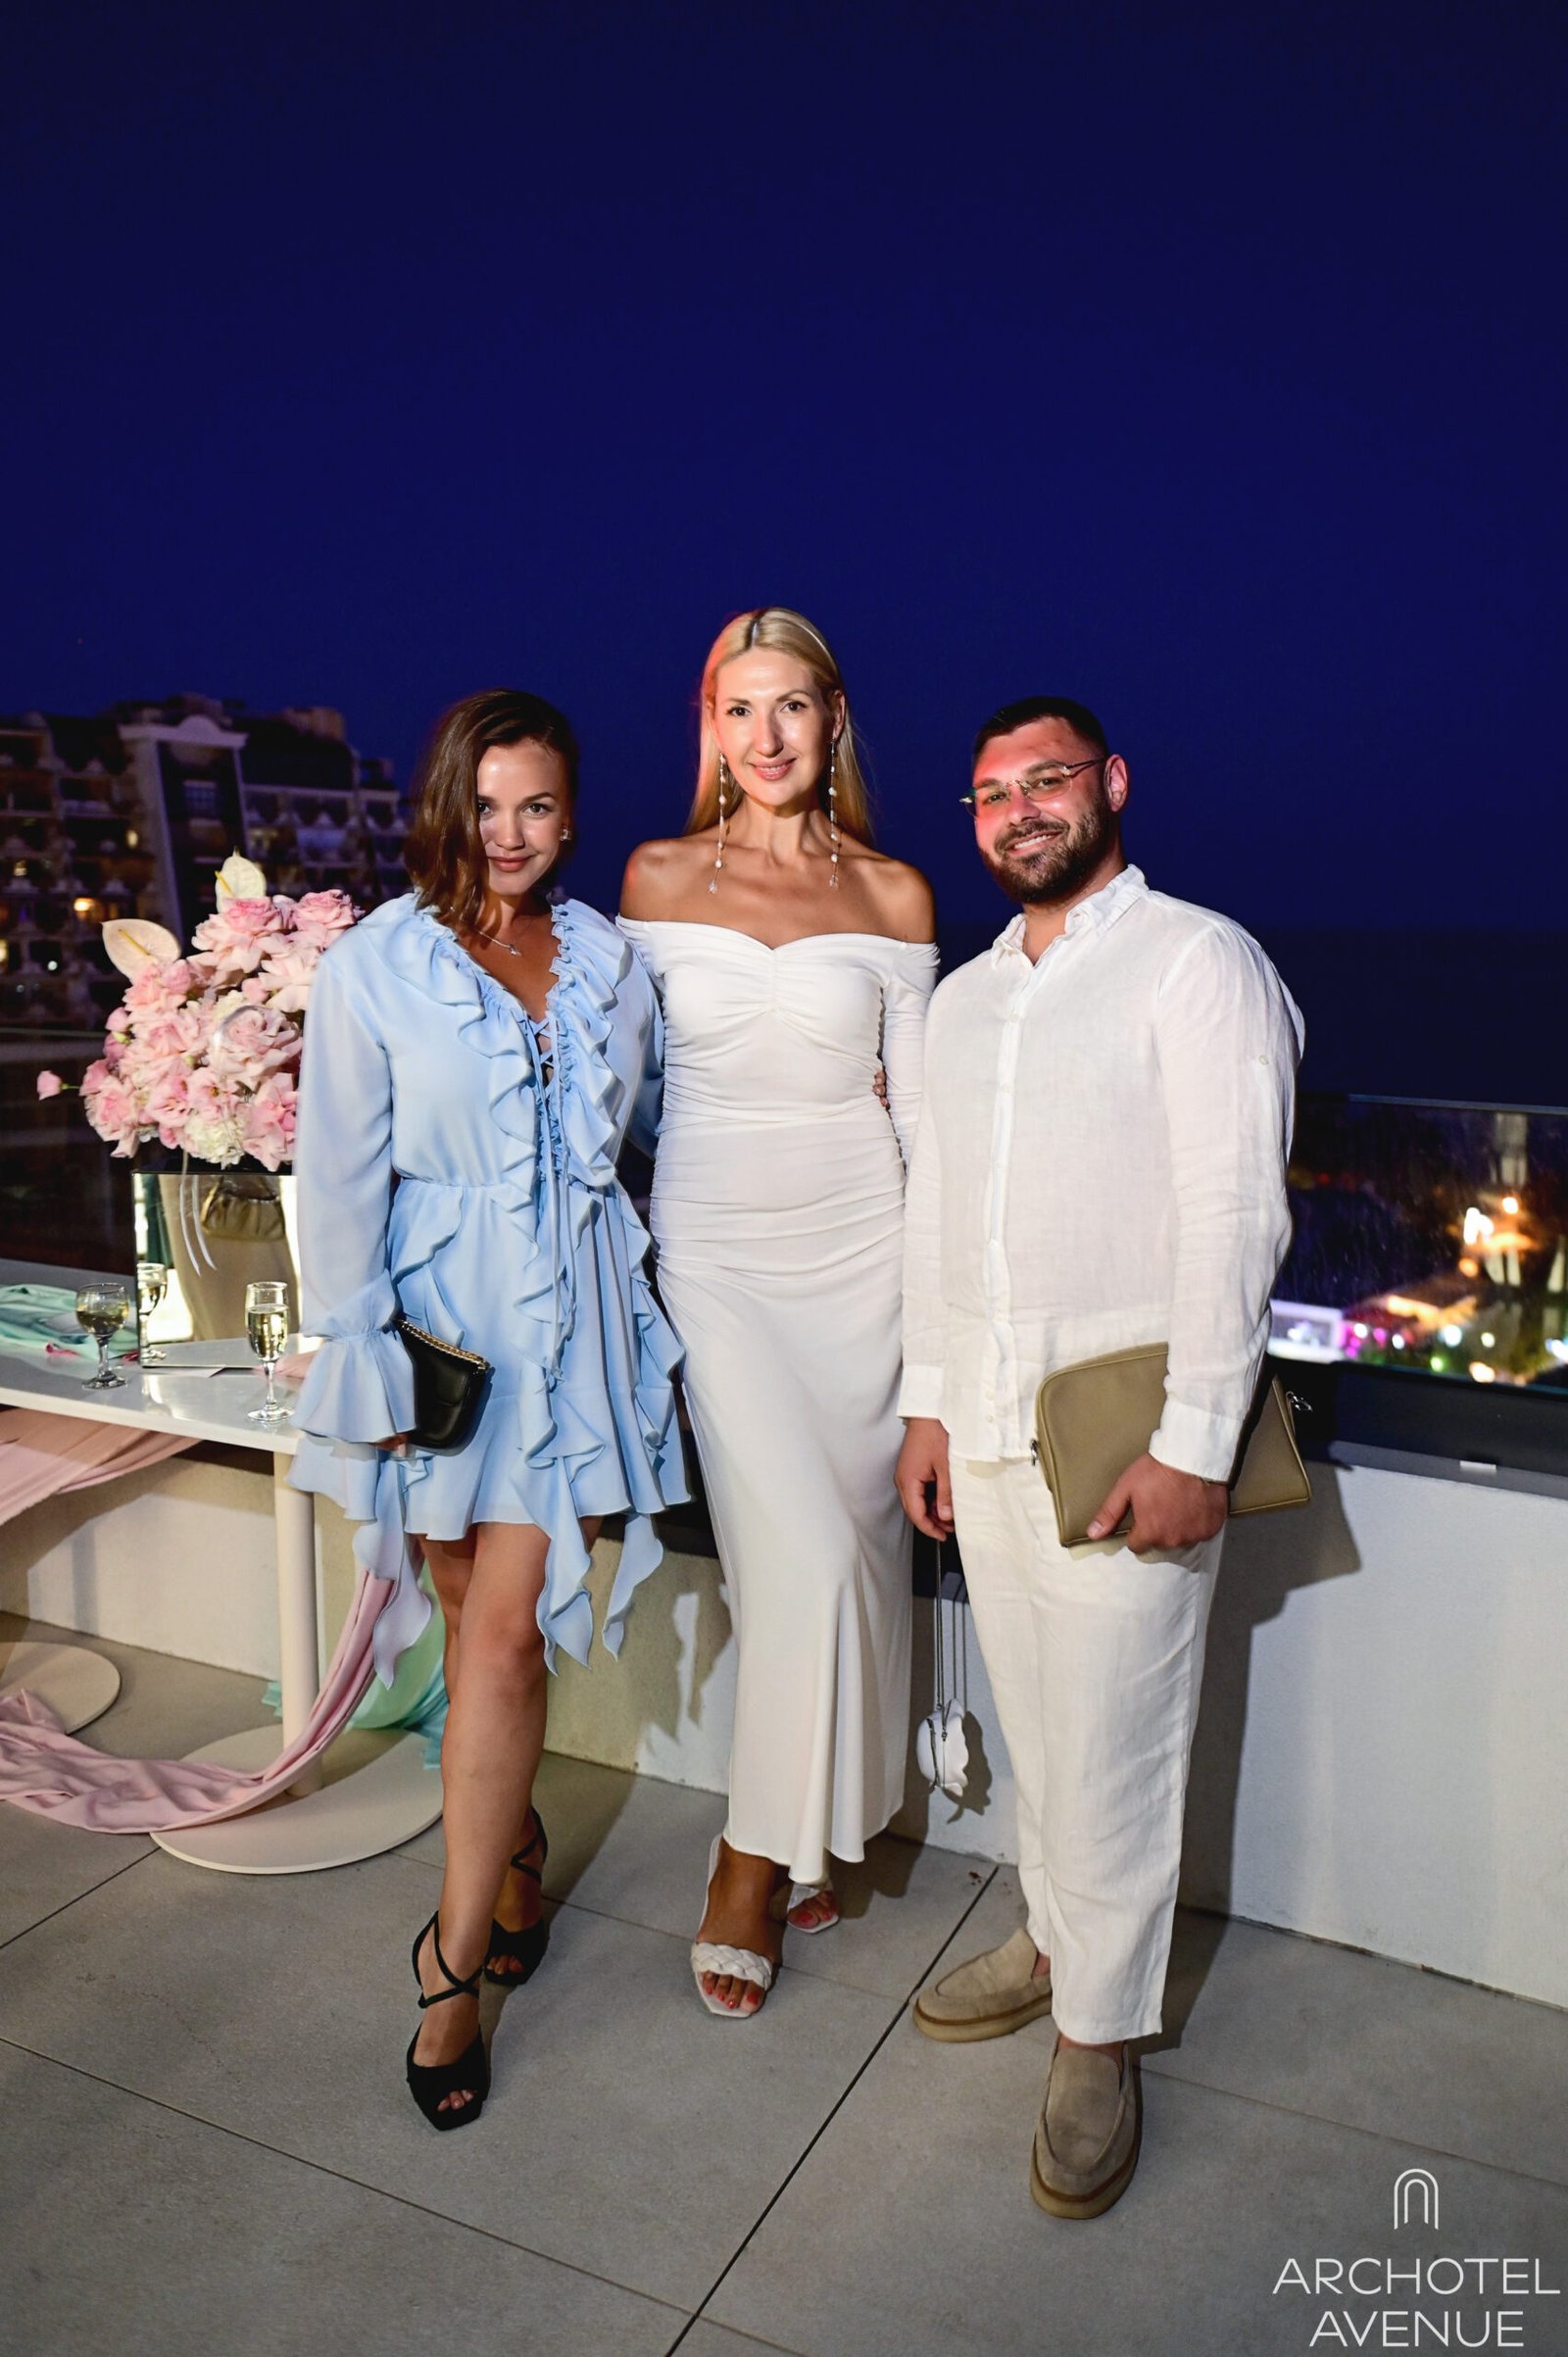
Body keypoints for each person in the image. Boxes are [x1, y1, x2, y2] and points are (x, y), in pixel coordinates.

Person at [896, 695, 1301, 2217]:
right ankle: (1053, 1939)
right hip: (991, 1423)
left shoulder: (1199, 961)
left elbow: (1236, 1213)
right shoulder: (961, 1001)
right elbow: (938, 1219)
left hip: (1131, 1439)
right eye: (992, 793)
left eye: (1047, 779)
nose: (1020, 810)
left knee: (1121, 1740)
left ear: (1111, 784)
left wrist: (1198, 1441)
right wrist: (929, 1404)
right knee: (1046, 1722)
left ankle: (1100, 2036)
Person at [290, 689, 687, 2129]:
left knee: (507, 1631)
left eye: (537, 806)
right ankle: (512, 1851)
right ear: (443, 805)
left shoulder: (611, 960)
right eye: (485, 803)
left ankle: (449, 1963)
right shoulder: (376, 964)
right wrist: (364, 1356)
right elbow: (337, 1170)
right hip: (442, 1330)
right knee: (468, 1619)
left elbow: (659, 1134)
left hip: (574, 1331)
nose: (508, 833)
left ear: (569, 816)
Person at [620, 606, 938, 2016]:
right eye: (739, 708)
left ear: (834, 719)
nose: (767, 735)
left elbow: (922, 1123)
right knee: (799, 1551)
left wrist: (940, 1336)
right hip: (717, 1258)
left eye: (792, 706)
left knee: (846, 1560)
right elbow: (613, 1083)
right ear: (710, 724)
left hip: (866, 1254)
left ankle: (811, 1827)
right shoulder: (653, 874)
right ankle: (750, 1859)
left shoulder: (896, 894)